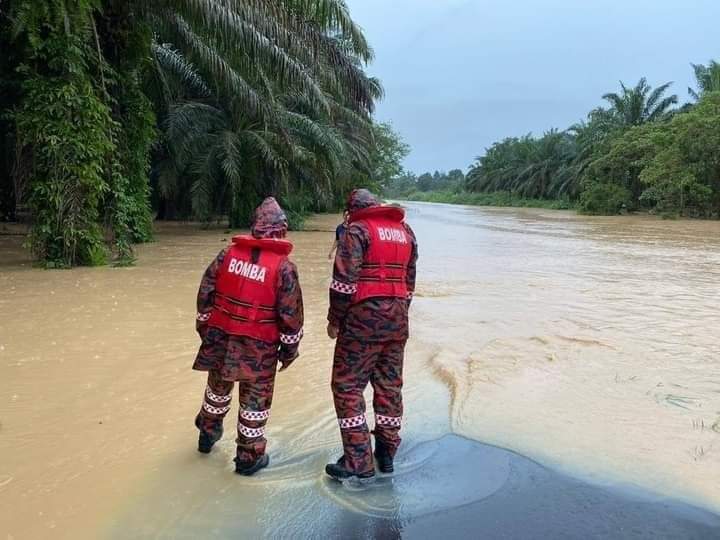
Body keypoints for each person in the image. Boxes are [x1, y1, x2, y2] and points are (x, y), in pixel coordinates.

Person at [193, 197, 304, 475]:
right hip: (260, 348)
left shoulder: (226, 256)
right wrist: (289, 352)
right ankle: (248, 457)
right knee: (255, 402)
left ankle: (206, 435)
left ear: (255, 227)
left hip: (221, 339)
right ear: (281, 230)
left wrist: (206, 332)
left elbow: (205, 296)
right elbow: (291, 317)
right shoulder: (284, 268)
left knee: (216, 390)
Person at [325, 189, 418, 481]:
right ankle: (386, 453)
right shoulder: (406, 232)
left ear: (351, 210)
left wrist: (335, 321)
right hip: (398, 319)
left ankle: (358, 459)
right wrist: (398, 312)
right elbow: (410, 281)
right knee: (390, 386)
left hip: (362, 321)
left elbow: (343, 284)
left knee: (347, 386)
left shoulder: (356, 232)